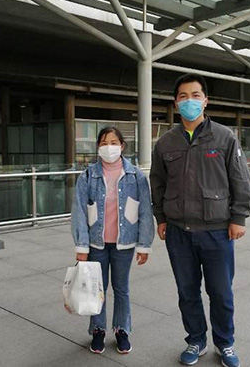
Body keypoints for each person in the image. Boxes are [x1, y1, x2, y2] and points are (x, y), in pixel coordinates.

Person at [150, 74, 250, 367]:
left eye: (196, 95)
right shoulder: (166, 142)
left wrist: (239, 217)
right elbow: (157, 182)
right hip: (178, 231)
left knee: (221, 292)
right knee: (187, 292)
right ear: (175, 103)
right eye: (183, 96)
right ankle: (196, 340)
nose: (189, 101)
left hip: (217, 231)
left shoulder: (224, 137)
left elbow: (240, 179)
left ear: (206, 101)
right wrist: (161, 218)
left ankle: (225, 343)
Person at [71, 126, 154, 355]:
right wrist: (81, 245)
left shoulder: (135, 176)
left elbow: (145, 211)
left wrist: (144, 245)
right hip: (96, 243)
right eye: (104, 143)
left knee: (121, 289)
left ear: (122, 146)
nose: (109, 147)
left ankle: (121, 330)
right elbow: (79, 211)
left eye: (114, 142)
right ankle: (98, 330)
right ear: (98, 147)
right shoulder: (88, 175)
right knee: (97, 288)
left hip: (124, 244)